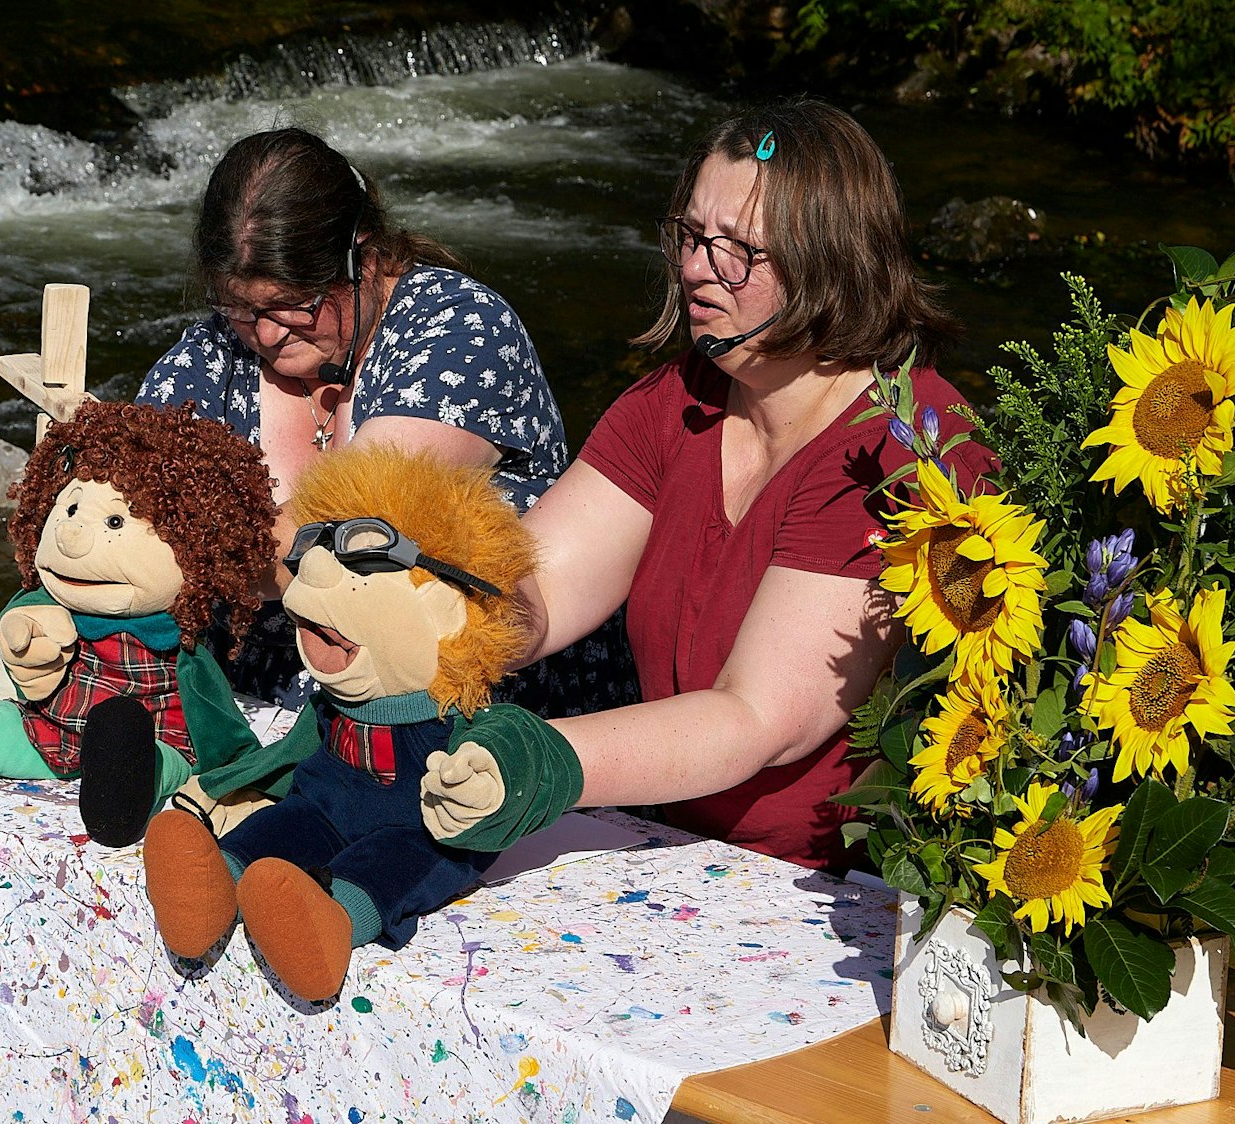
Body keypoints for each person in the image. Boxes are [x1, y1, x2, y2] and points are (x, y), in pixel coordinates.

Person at [437, 97, 993, 871]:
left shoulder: (902, 450)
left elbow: (755, 717)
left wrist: (533, 759)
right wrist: (408, 614)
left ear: (829, 261)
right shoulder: (681, 398)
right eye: (692, 236)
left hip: (840, 895)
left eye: (738, 250)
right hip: (676, 848)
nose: (697, 267)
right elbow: (536, 592)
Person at [136, 126, 633, 717]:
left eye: (294, 303)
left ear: (363, 257)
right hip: (261, 704)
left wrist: (174, 547)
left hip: (463, 711)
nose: (266, 334)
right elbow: (133, 495)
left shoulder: (460, 329)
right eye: (241, 307)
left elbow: (344, 525)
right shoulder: (215, 353)